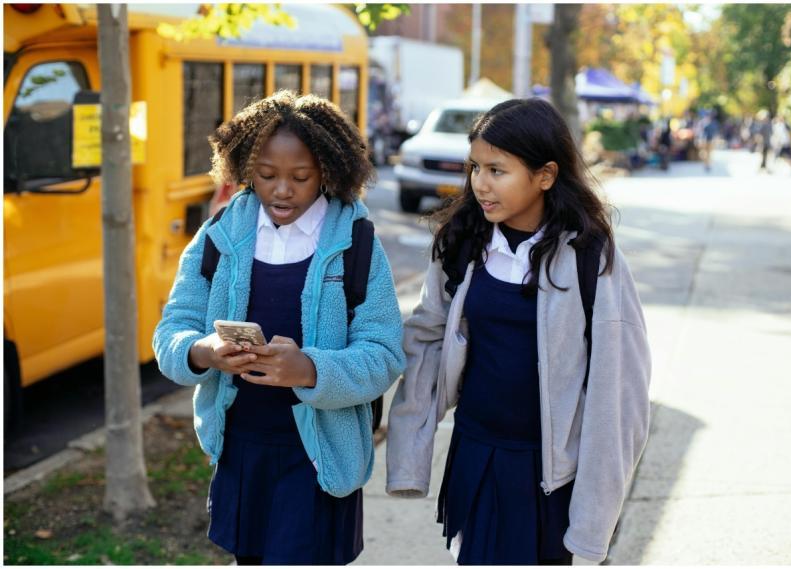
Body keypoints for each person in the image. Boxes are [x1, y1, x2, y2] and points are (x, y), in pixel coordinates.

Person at [385, 98, 652, 565]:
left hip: (550, 475)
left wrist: (593, 523)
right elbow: (426, 338)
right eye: (475, 168)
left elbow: (620, 392)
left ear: (545, 175)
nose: (480, 184)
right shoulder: (462, 243)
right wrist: (409, 455)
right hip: (477, 454)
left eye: (497, 170)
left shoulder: (591, 256)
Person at [152, 90, 405, 565]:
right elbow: (171, 331)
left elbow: (385, 354)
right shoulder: (219, 235)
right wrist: (202, 351)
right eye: (266, 176)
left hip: (318, 457)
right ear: (245, 167)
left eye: (300, 177)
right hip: (241, 451)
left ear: (328, 170)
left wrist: (309, 368)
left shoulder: (358, 245)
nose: (281, 190)